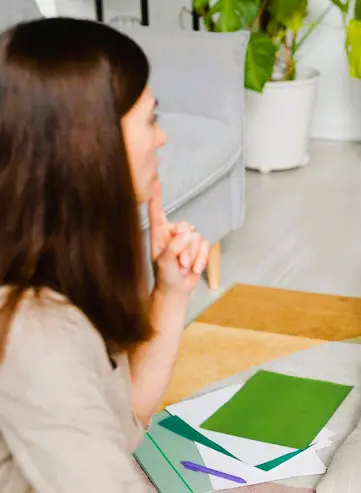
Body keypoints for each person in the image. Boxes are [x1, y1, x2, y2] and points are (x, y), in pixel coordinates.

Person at [0, 18, 210, 492]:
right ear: (91, 144)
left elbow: (125, 418)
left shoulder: (56, 274)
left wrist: (171, 293)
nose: (162, 138)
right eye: (151, 119)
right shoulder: (32, 331)